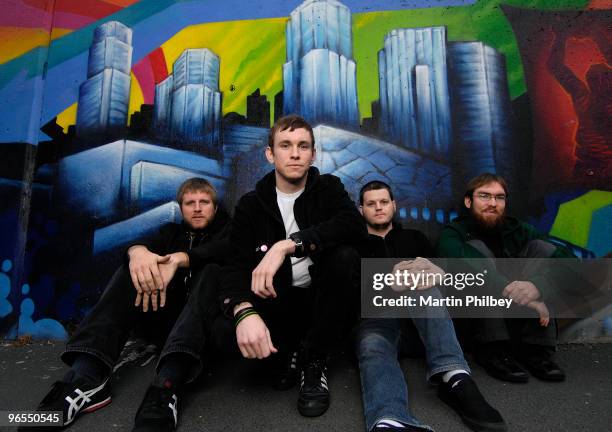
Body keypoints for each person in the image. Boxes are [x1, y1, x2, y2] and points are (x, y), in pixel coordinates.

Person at [22, 178, 230, 432]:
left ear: (215, 207)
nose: (197, 208)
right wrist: (137, 253)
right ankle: (85, 377)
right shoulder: (169, 232)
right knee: (133, 269)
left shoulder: (229, 230)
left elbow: (225, 250)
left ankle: (166, 386)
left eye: (204, 202)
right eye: (190, 203)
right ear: (181, 208)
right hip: (164, 323)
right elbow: (141, 248)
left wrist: (179, 259)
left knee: (211, 271)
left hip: (203, 333)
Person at [215, 114, 365, 417]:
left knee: (345, 256)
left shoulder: (328, 188)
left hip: (323, 303)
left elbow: (352, 226)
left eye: (303, 146)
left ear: (312, 153)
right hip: (277, 304)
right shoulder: (250, 204)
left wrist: (287, 245)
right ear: (270, 154)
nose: (295, 154)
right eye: (285, 145)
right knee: (224, 337)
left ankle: (314, 360)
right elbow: (234, 266)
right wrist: (243, 311)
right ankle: (288, 351)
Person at [355, 180, 505, 432]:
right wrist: (389, 282)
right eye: (371, 204)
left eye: (383, 202)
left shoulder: (415, 238)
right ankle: (390, 419)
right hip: (377, 323)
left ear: (394, 205)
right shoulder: (353, 246)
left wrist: (437, 272)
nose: (378, 208)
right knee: (372, 345)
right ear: (361, 210)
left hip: (422, 328)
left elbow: (442, 282)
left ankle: (455, 377)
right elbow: (348, 292)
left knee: (424, 284)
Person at [437, 173, 571, 383]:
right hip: (481, 324)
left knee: (541, 248)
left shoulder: (518, 229)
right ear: (468, 201)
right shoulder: (454, 233)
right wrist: (520, 294)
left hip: (519, 314)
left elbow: (568, 260)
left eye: (499, 198)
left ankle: (535, 351)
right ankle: (494, 351)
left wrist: (538, 287)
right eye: (484, 196)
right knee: (477, 254)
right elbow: (465, 266)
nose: (493, 203)